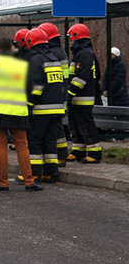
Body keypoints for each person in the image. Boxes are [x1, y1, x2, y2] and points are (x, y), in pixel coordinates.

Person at [0, 37, 42, 191]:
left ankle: (3, 182)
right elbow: (29, 87)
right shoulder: (22, 65)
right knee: (22, 146)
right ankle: (29, 181)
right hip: (17, 111)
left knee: (0, 147)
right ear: (11, 49)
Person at [24, 28, 65, 183]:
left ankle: (34, 173)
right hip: (56, 108)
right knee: (49, 141)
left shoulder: (35, 60)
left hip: (41, 109)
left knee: (34, 141)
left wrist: (28, 105)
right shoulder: (53, 59)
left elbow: (36, 88)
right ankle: (51, 172)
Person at [66, 23, 102, 163]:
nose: (71, 39)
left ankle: (94, 153)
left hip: (82, 97)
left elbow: (81, 77)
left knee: (86, 125)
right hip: (77, 97)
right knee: (75, 124)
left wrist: (69, 92)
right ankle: (78, 150)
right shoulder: (81, 53)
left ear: (77, 36)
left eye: (72, 36)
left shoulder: (84, 54)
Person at [38, 22, 70, 167]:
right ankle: (61, 156)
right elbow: (65, 76)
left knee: (56, 129)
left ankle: (61, 156)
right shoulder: (61, 51)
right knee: (57, 126)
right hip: (61, 93)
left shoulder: (53, 53)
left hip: (55, 95)